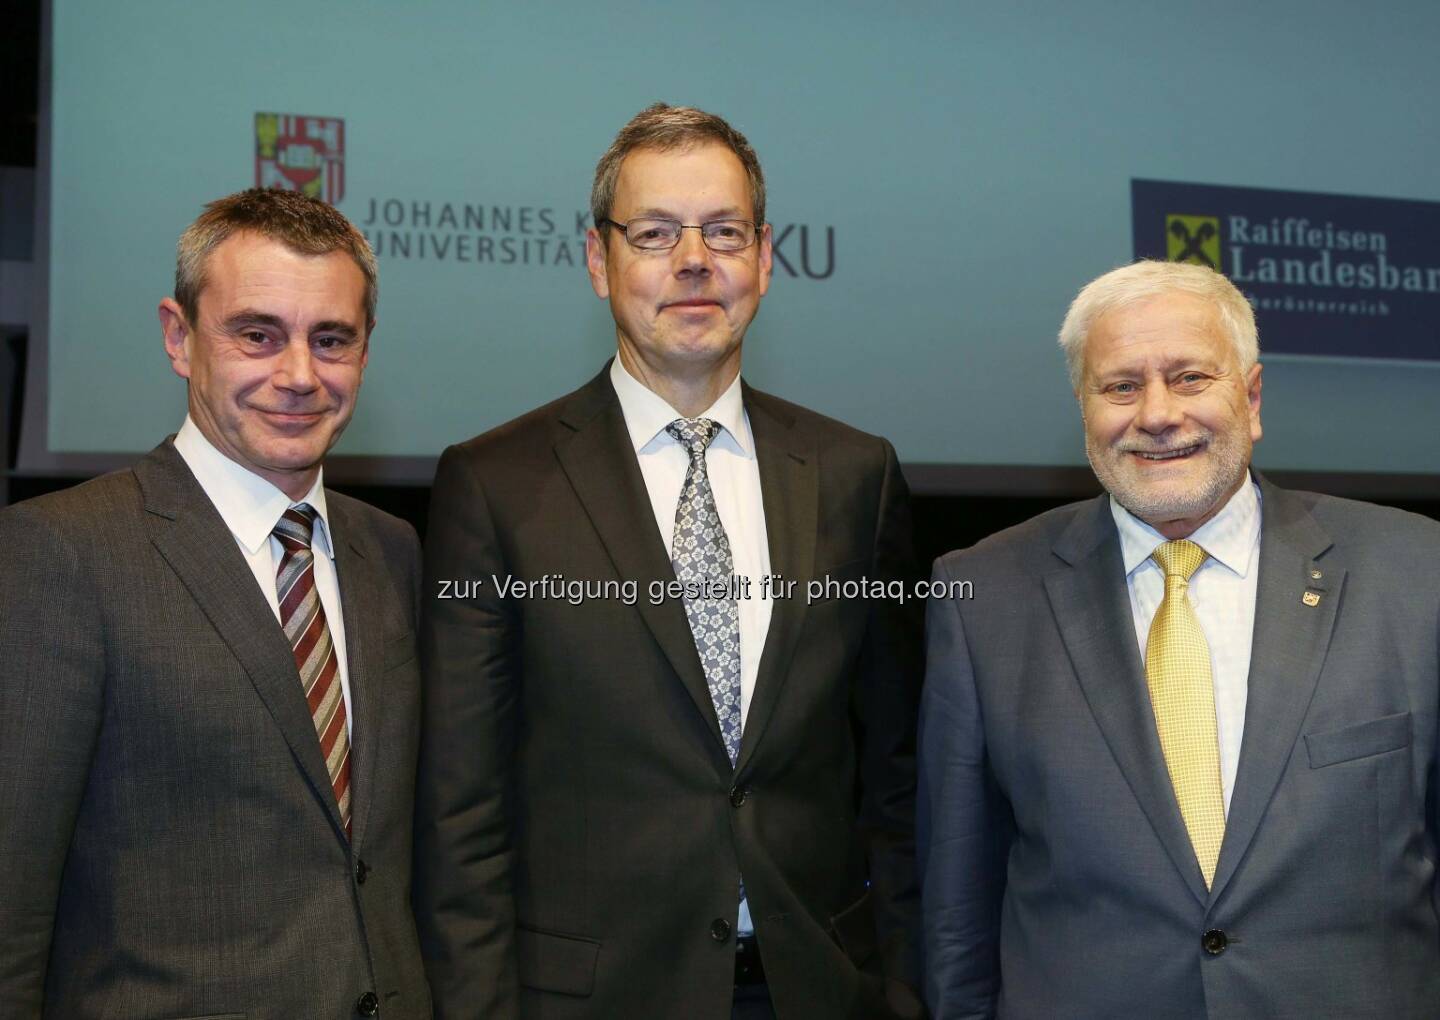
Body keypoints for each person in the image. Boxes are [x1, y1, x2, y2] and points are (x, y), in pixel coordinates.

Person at [415, 103, 924, 1019]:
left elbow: (893, 778)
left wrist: (904, 988)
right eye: (654, 233)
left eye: (723, 231)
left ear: (765, 259)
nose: (694, 260)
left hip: (817, 989)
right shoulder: (494, 486)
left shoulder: (858, 476)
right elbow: (462, 814)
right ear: (597, 261)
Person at [918, 259, 1440, 1018]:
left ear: (1252, 398)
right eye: (1121, 386)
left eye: (1191, 378)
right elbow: (957, 903)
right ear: (1084, 408)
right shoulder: (983, 595)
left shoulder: (1415, 572)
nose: (1157, 414)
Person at [0, 188, 431, 1018]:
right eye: (257, 334)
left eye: (331, 339)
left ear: (366, 351)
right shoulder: (59, 553)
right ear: (178, 336)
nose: (299, 375)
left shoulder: (393, 551)